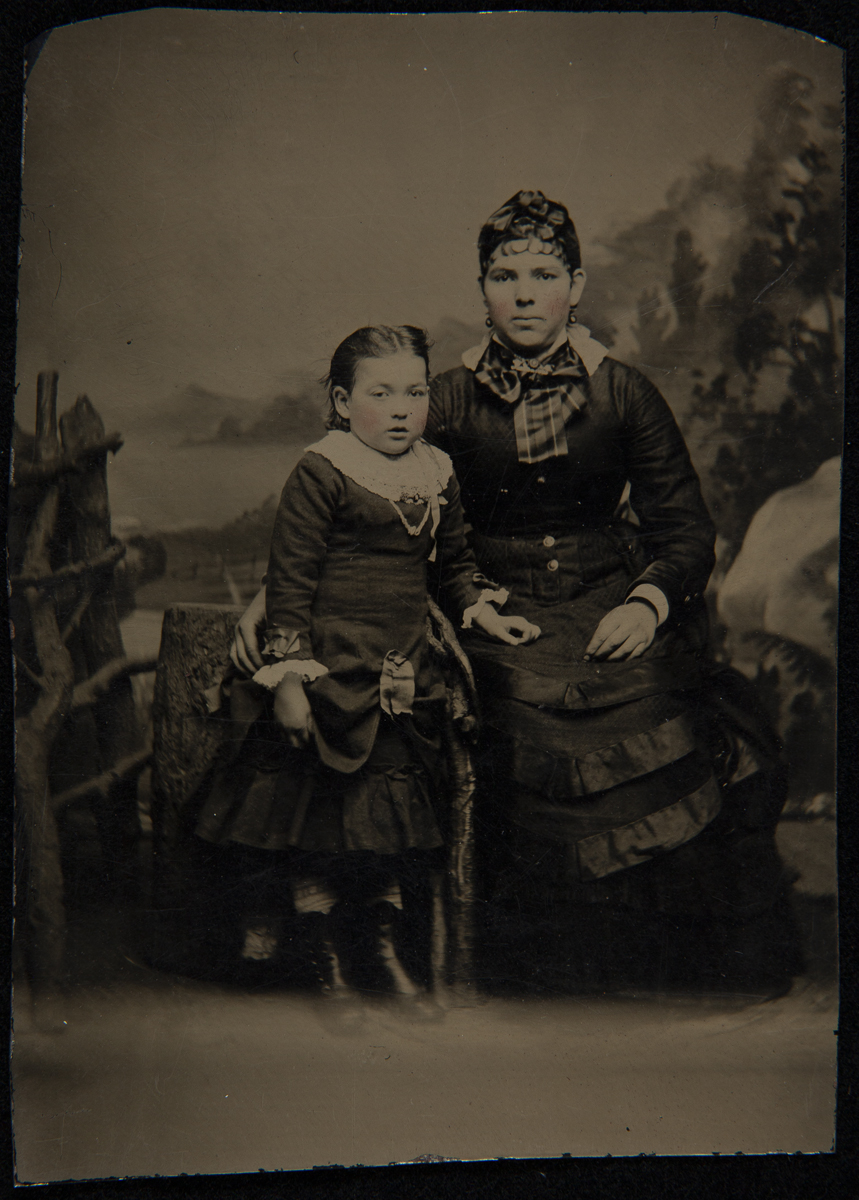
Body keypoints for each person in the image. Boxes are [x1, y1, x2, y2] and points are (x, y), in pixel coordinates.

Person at [233, 192, 804, 997]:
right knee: (511, 705)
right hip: (486, 599)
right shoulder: (445, 397)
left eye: (543, 274)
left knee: (653, 702)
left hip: (611, 593)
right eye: (505, 276)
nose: (525, 293)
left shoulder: (623, 392)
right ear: (483, 290)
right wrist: (269, 600)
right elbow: (356, 499)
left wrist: (644, 605)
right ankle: (536, 967)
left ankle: (658, 963)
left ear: (575, 286)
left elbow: (684, 531)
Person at [195, 325, 539, 1017]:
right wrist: (289, 682)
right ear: (342, 401)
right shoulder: (321, 470)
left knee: (384, 821)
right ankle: (329, 964)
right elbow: (290, 584)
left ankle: (379, 953)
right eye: (380, 394)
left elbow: (457, 566)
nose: (402, 408)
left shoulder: (436, 470)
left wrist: (482, 612)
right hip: (326, 668)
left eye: (415, 392)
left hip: (398, 671)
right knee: (320, 821)